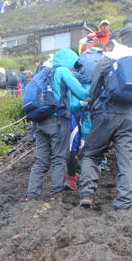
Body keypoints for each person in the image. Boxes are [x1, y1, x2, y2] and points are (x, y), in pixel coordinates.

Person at [77, 51, 132, 210]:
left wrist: (92, 109)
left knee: (92, 154)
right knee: (127, 160)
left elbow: (93, 92)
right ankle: (125, 201)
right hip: (130, 117)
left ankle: (87, 194)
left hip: (105, 114)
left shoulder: (104, 63)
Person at [26, 49, 90, 201]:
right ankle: (56, 194)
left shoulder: (46, 73)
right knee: (59, 158)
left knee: (41, 160)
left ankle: (31, 194)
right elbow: (81, 93)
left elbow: (71, 105)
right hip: (58, 123)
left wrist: (79, 105)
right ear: (69, 61)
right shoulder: (63, 71)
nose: (74, 68)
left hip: (41, 122)